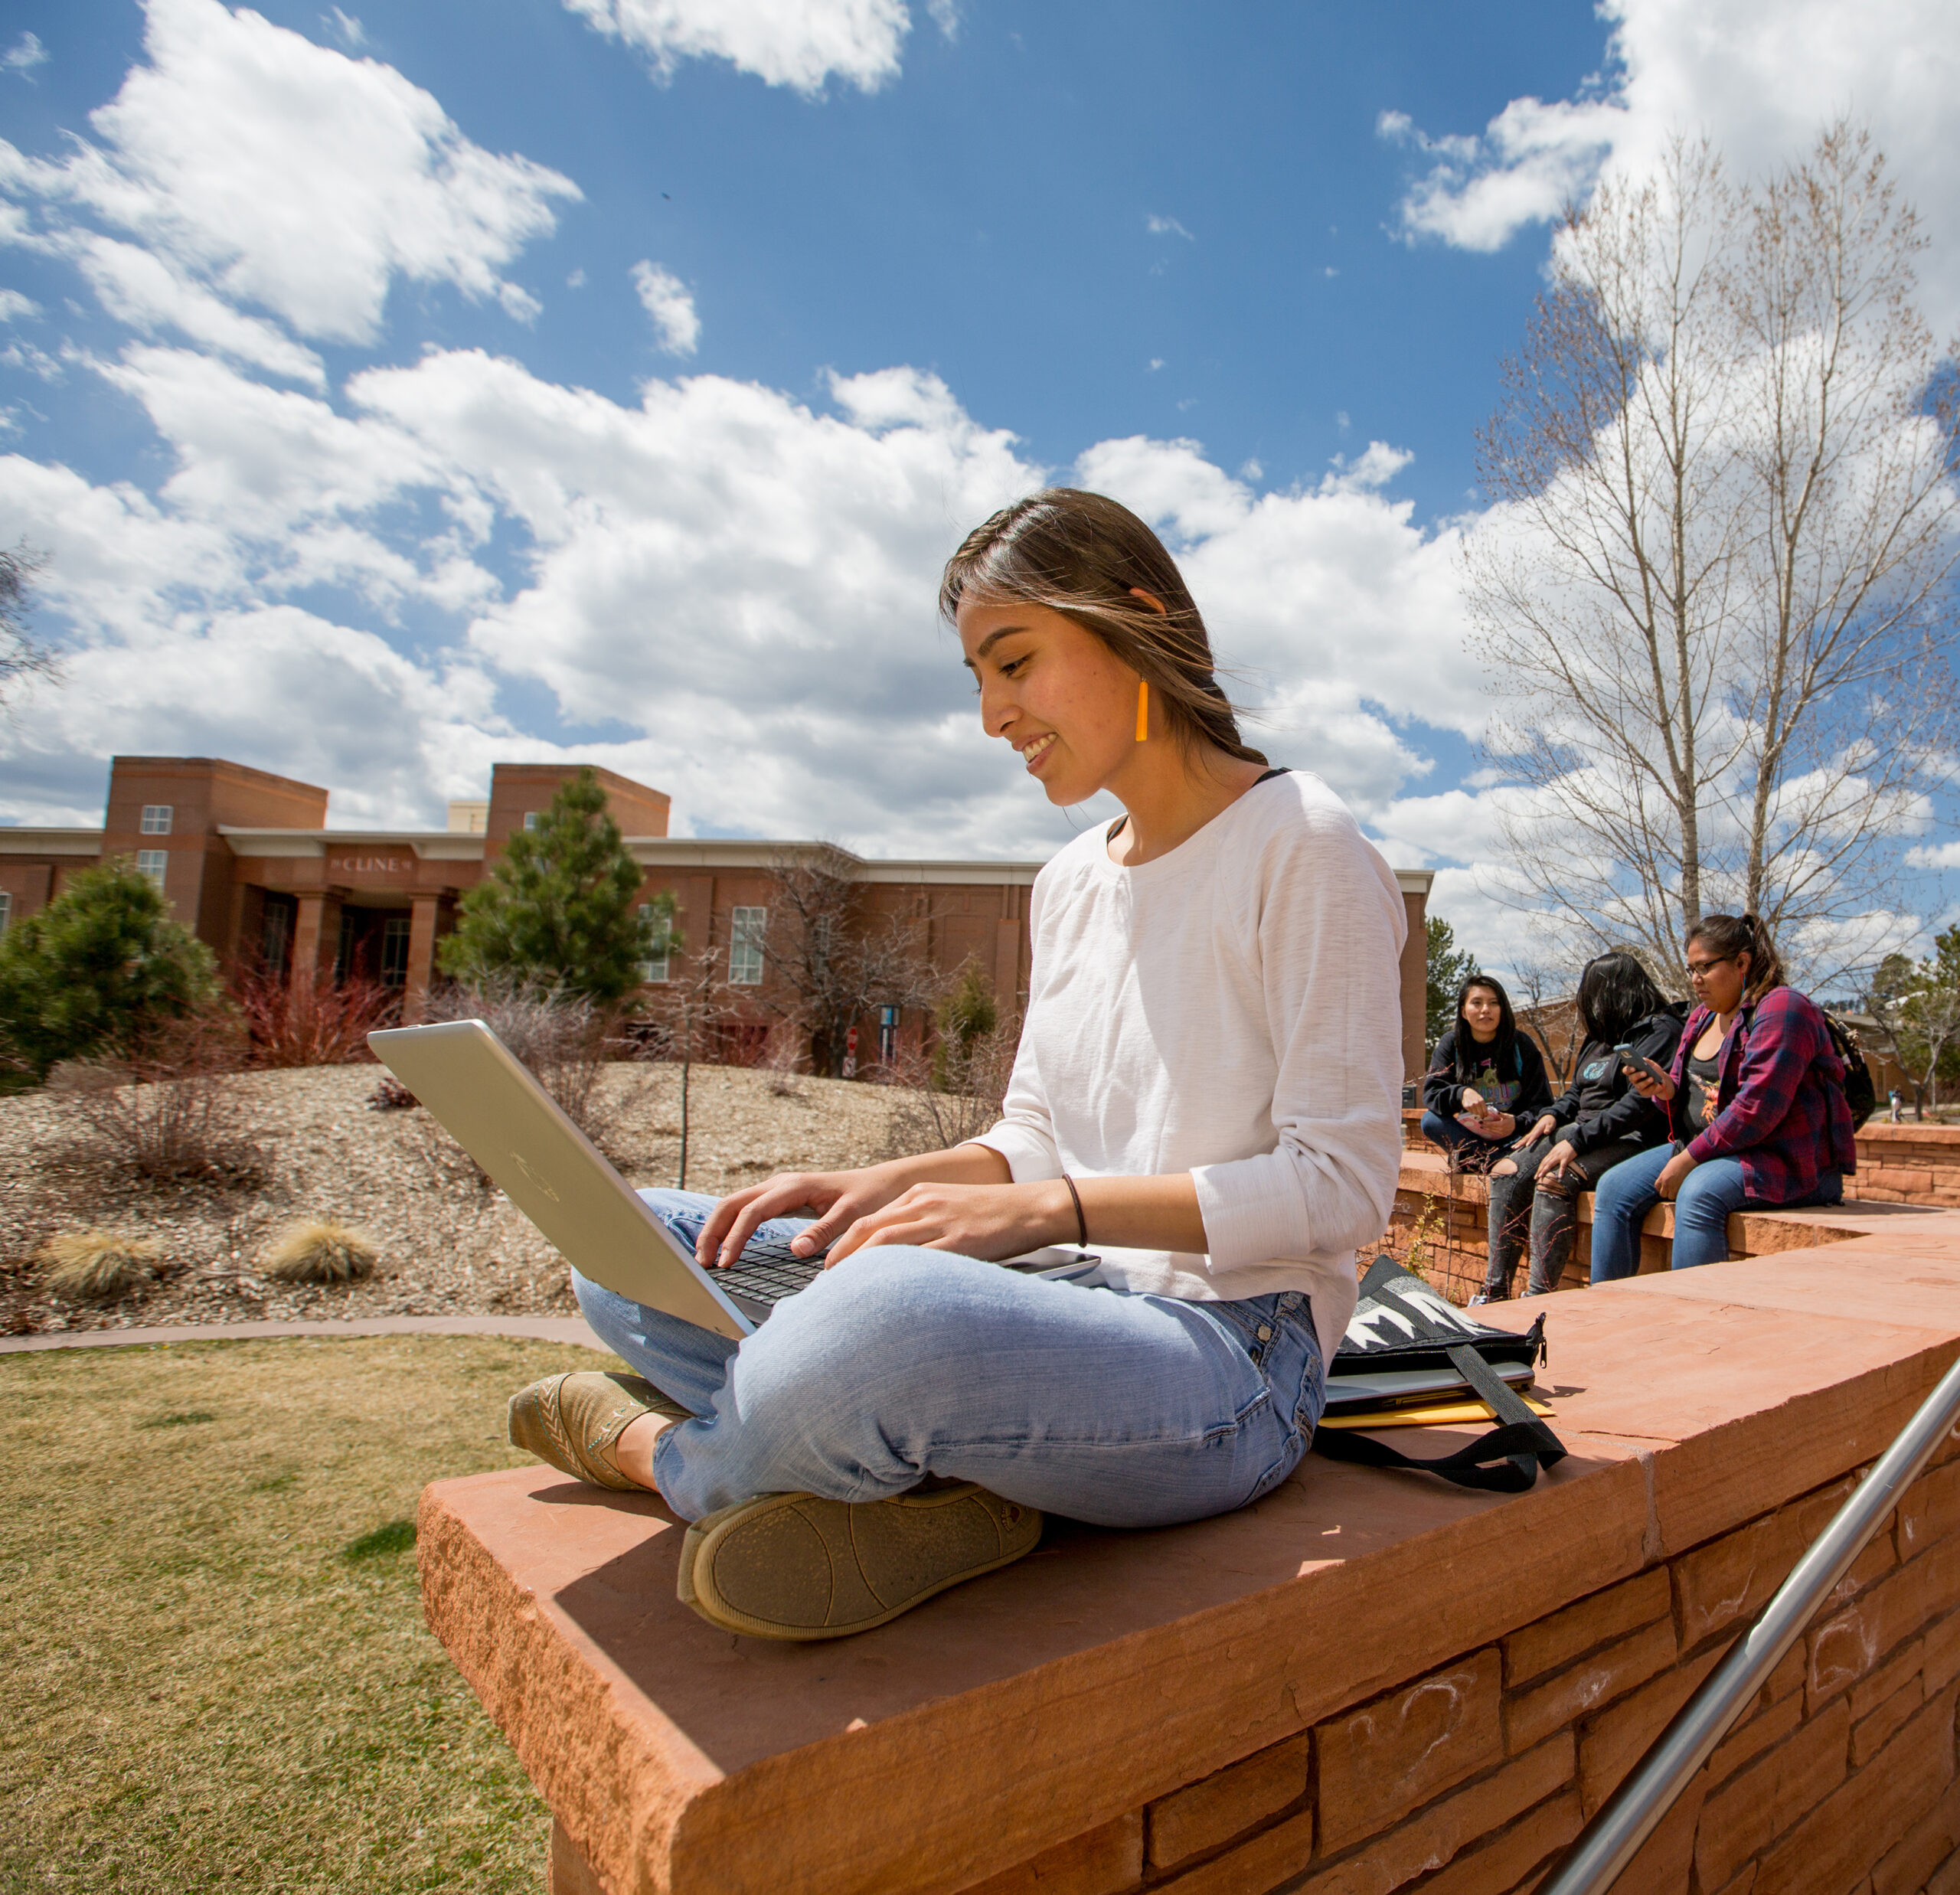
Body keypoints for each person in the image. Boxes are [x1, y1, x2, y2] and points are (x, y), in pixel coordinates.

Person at [504, 488, 1409, 1641]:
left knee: (887, 1318)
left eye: (1015, 661)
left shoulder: (1308, 846)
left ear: (1135, 620)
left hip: (1231, 1353)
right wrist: (874, 1187)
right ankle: (957, 1485)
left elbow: (1343, 1185)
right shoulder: (1071, 879)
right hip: (1047, 1302)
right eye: (980, 677)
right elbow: (1035, 1126)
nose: (993, 714)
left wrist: (1048, 1210)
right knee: (634, 1250)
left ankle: (667, 1458)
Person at [1589, 914, 1856, 1279]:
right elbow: (1687, 1097)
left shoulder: (1782, 1008)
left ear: (1742, 962)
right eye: (1690, 970)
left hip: (1785, 1158)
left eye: (1704, 967)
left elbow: (1756, 1111)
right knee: (1613, 1188)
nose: (1695, 980)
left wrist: (1687, 1162)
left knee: (1698, 1192)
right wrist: (1663, 1089)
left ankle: (1696, 1319)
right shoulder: (1701, 1018)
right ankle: (1606, 1311)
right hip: (1711, 1150)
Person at [1472, 953, 1683, 1303]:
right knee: (1506, 1171)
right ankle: (1494, 1291)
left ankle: (1540, 1299)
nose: (1588, 1004)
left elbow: (1637, 1106)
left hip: (1633, 1138)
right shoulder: (1600, 1037)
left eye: (1592, 994)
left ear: (1614, 992)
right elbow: (1576, 1092)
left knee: (1554, 1178)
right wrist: (1553, 1115)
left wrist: (1577, 1142)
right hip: (1582, 1130)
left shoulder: (1659, 1032)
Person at [1420, 975, 1553, 1171]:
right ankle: (1496, 1162)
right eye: (1477, 1003)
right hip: (1470, 1137)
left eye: (1494, 1003)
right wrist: (1461, 1093)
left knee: (1554, 1131)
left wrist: (1516, 1123)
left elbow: (1544, 1105)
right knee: (1430, 1121)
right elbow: (1431, 1094)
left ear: (1503, 1009)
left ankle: (1479, 1161)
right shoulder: (1451, 1044)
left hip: (1515, 1138)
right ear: (1464, 1011)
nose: (1485, 1010)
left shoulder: (1521, 1045)